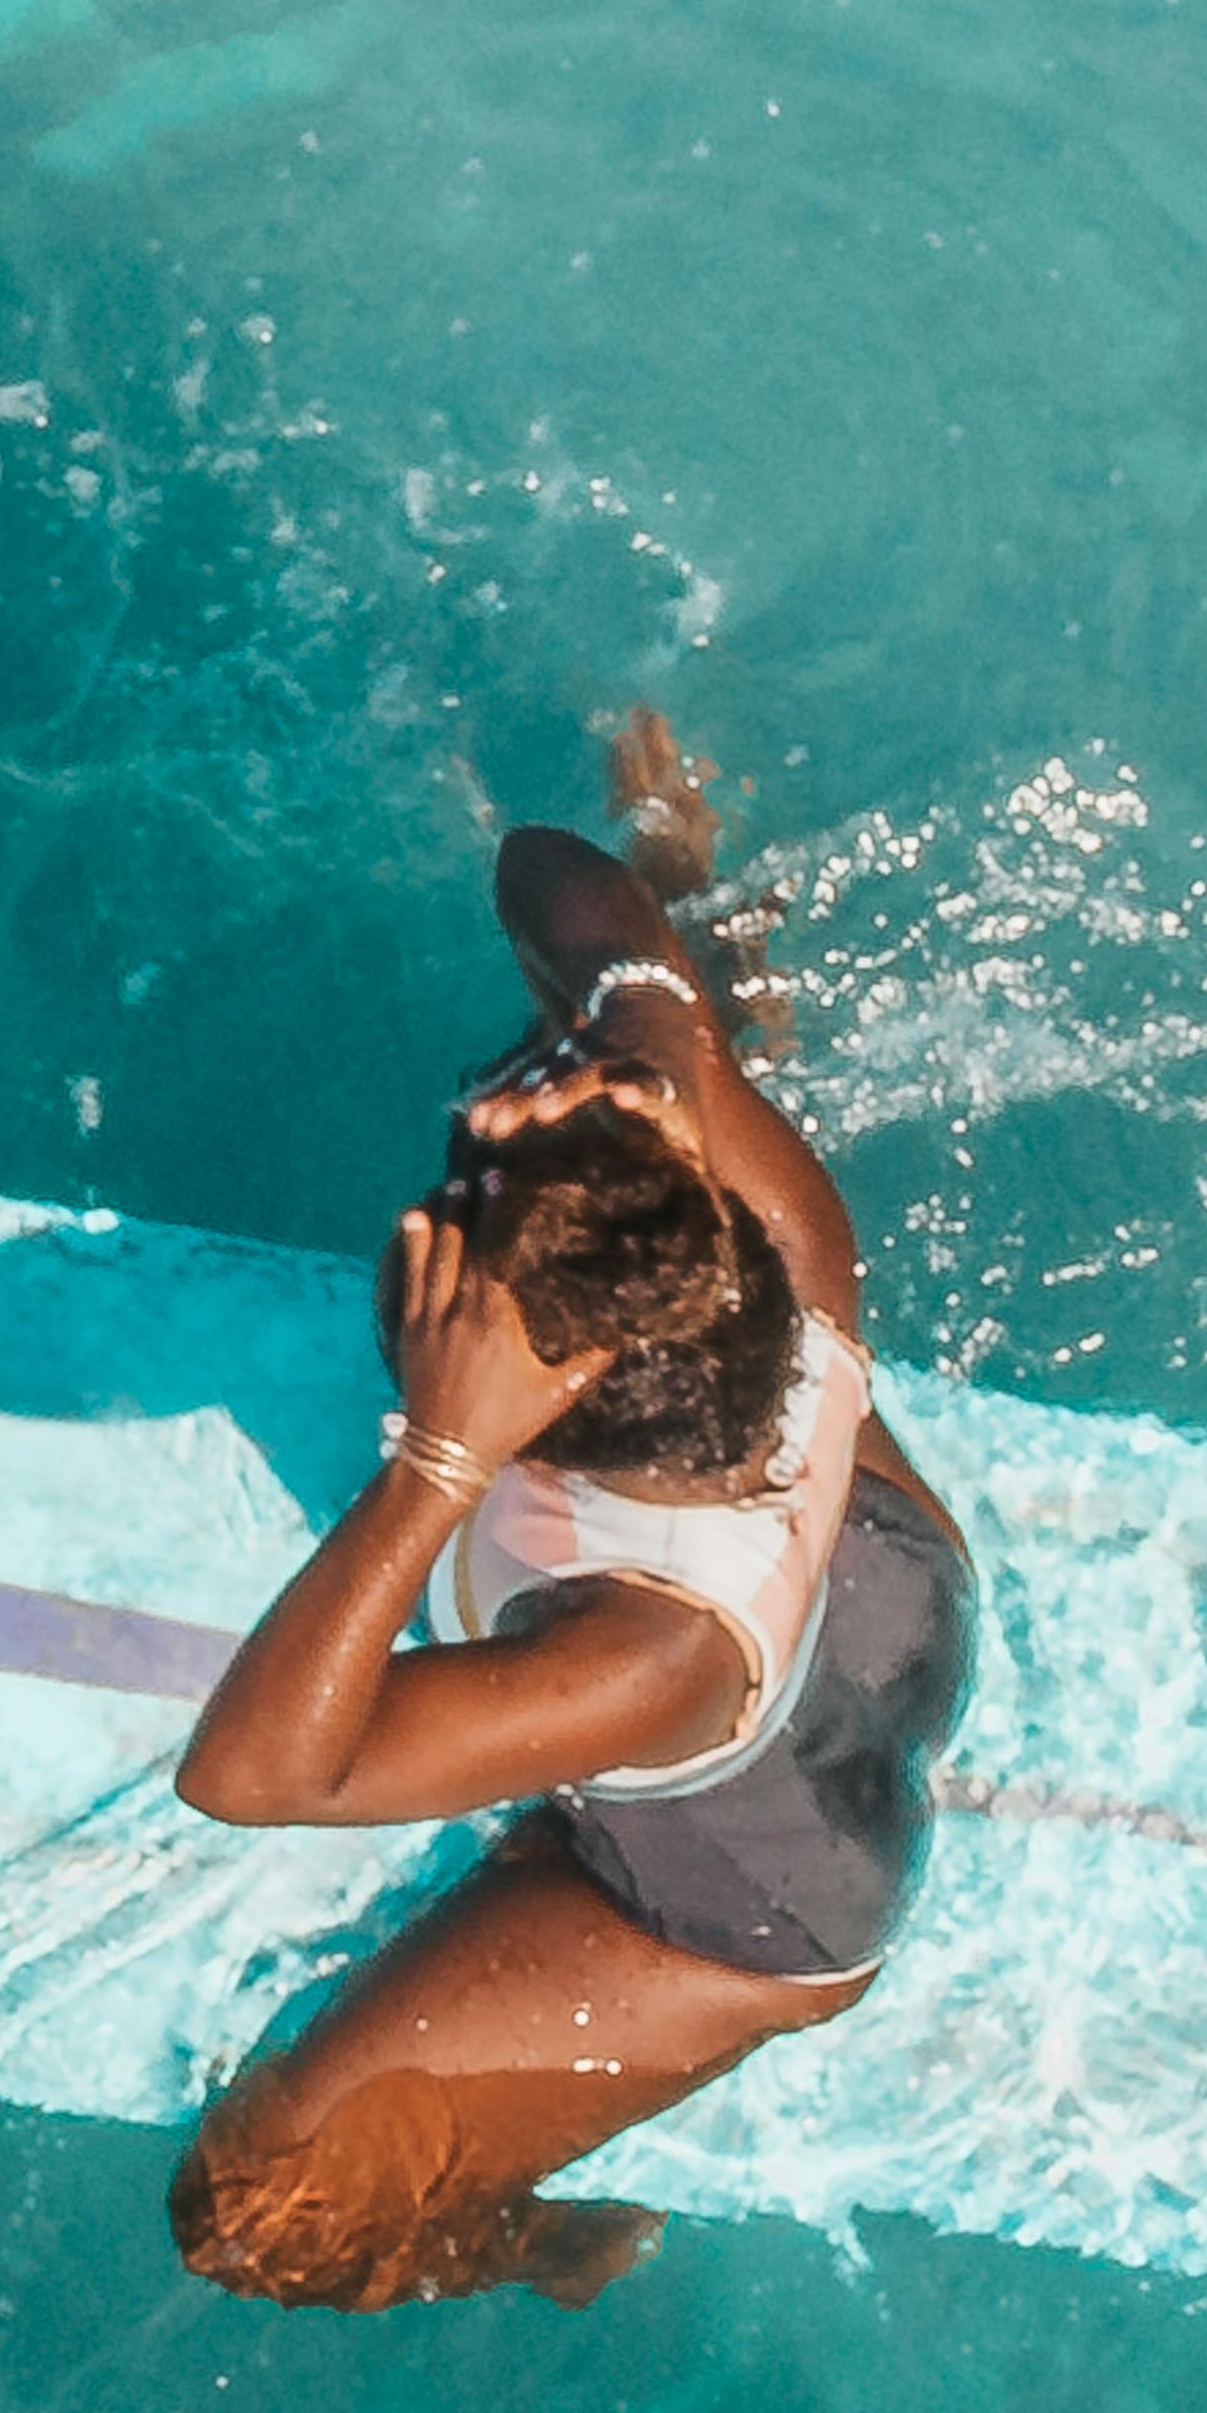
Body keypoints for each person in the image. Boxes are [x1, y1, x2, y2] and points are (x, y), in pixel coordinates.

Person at [168, 718, 977, 2311]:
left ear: (529, 1408)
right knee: (670, 1044)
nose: (448, 1174)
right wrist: (647, 1034)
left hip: (741, 1908)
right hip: (885, 1596)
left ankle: (535, 2240)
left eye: (448, 1235)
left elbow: (251, 1776)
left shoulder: (634, 1646)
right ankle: (713, 977)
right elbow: (548, 874)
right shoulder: (773, 1233)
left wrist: (434, 1467)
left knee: (257, 2222)